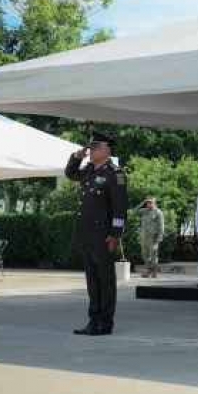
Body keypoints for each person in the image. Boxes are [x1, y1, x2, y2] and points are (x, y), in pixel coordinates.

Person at [65, 132, 127, 336]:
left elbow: (120, 208)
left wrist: (116, 234)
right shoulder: (89, 170)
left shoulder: (115, 174)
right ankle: (93, 320)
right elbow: (70, 174)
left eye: (94, 147)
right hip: (87, 234)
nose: (90, 151)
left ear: (106, 150)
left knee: (106, 281)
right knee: (92, 280)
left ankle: (105, 322)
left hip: (104, 236)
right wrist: (76, 156)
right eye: (89, 148)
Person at [138, 197, 165, 279]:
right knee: (144, 255)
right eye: (147, 203)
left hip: (153, 237)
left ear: (154, 203)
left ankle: (154, 272)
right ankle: (148, 270)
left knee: (153, 255)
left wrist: (159, 238)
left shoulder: (158, 212)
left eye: (150, 202)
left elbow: (161, 226)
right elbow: (134, 211)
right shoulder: (144, 211)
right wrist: (142, 202)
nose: (148, 204)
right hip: (144, 236)